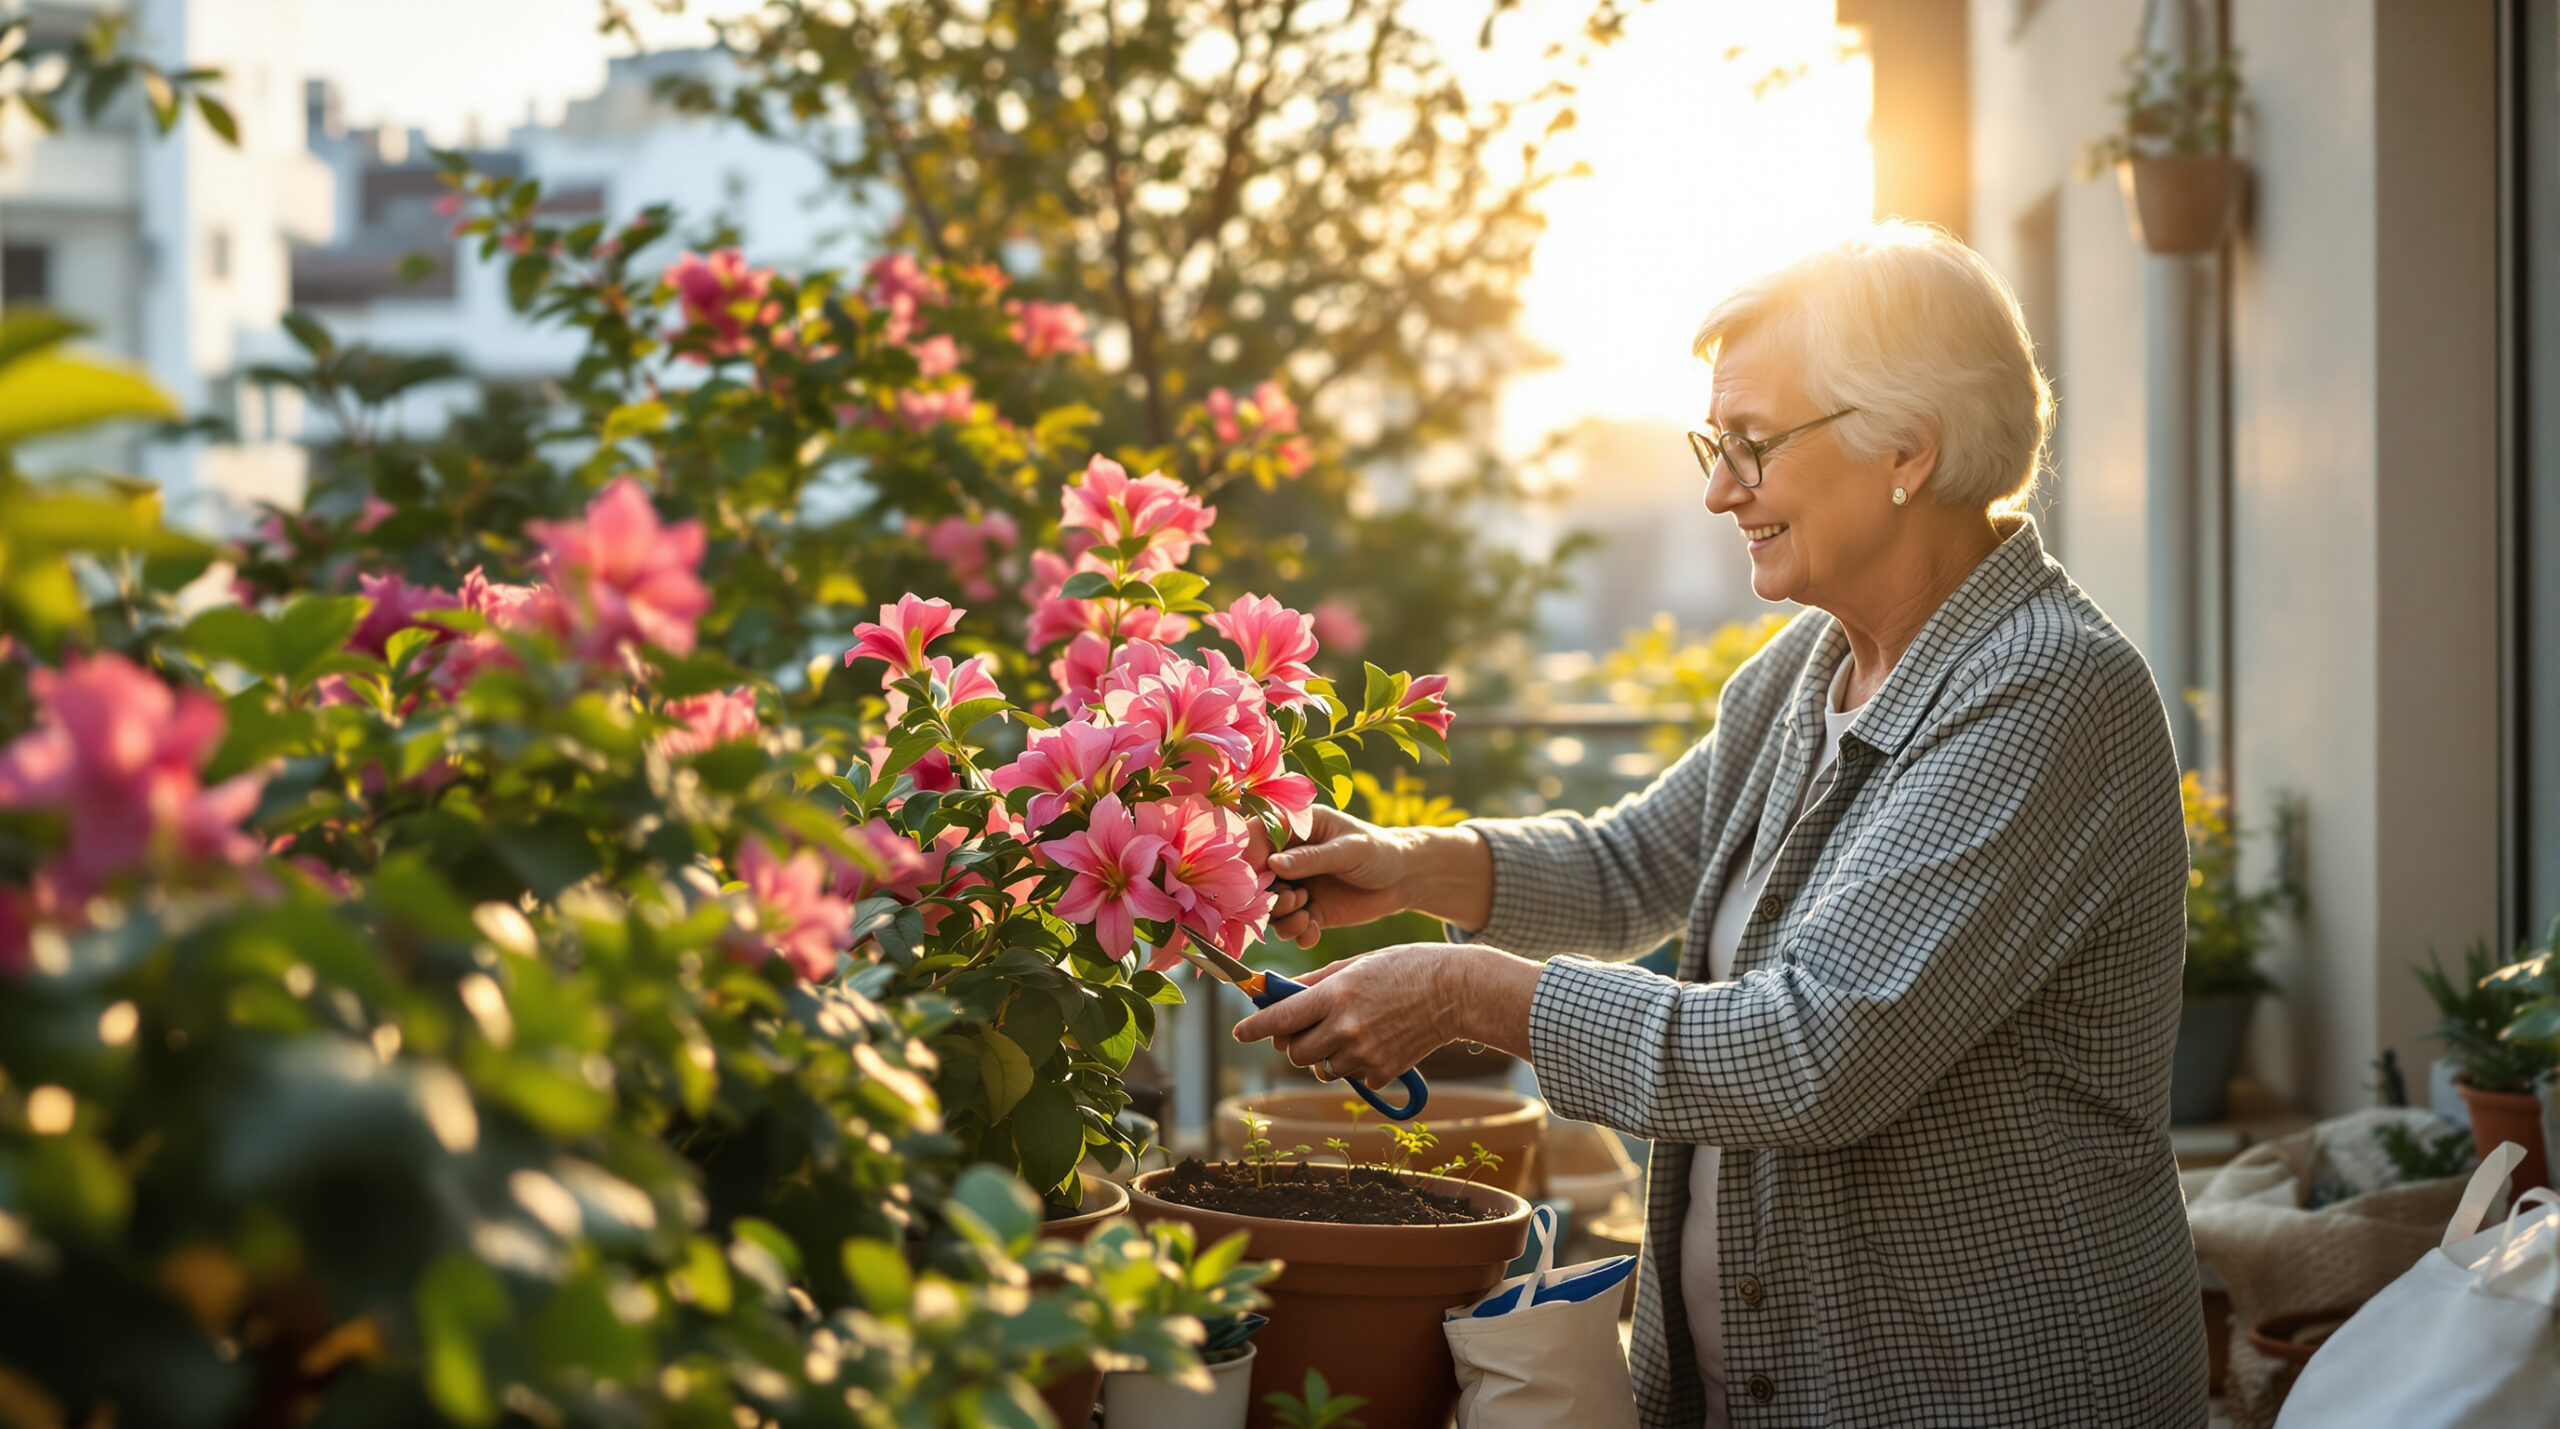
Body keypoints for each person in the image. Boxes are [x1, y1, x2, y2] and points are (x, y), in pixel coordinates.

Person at [1234, 222, 2209, 1427]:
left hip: (1981, 1391)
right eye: (1715, 443)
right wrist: (1409, 866)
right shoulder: (1809, 668)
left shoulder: (2042, 692)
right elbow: (1633, 863)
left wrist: (1468, 993)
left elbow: (1809, 1055)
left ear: (1907, 446)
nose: (1715, 488)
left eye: (1751, 445)